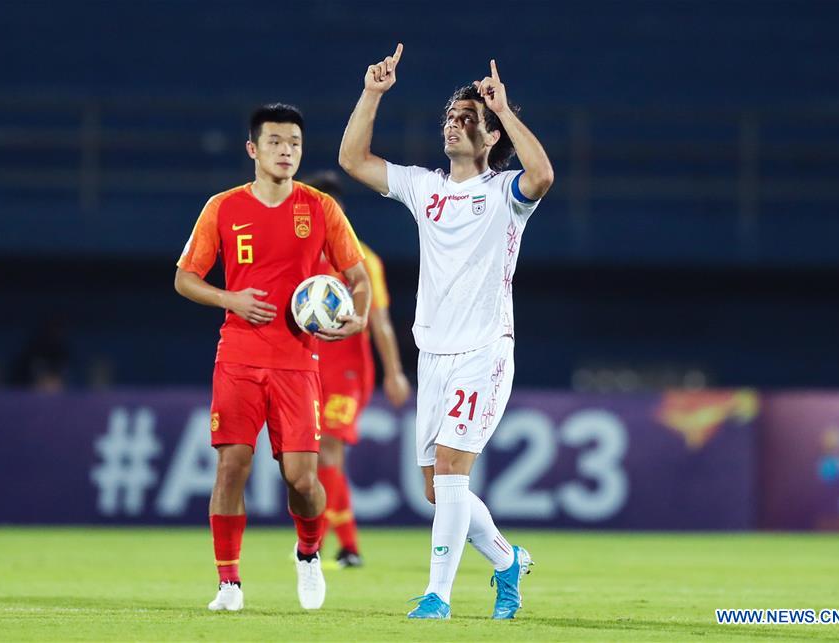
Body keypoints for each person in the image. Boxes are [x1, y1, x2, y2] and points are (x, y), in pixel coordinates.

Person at [339, 44, 554, 620]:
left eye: (467, 120)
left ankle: (438, 597)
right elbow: (353, 159)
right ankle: (507, 562)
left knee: (455, 474)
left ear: (488, 137)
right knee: (439, 491)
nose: (454, 126)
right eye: (449, 119)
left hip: (484, 350)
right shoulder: (424, 188)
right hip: (432, 353)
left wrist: (503, 110)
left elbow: (543, 174)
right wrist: (372, 93)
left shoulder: (504, 194)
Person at [174, 104, 371, 612]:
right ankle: (229, 584)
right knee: (231, 467)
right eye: (276, 142)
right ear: (253, 149)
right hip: (237, 355)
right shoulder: (222, 207)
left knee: (303, 480)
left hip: (298, 363)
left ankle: (309, 552)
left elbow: (360, 277)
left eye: (295, 144)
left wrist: (358, 316)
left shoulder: (321, 207)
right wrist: (230, 299)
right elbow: (185, 278)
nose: (287, 151)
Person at [305, 172, 411, 568]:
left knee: (328, 447)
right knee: (314, 458)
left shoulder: (363, 260)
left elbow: (379, 321)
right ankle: (328, 541)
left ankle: (348, 547)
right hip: (308, 367)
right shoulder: (297, 257)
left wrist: (394, 371)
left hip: (349, 370)